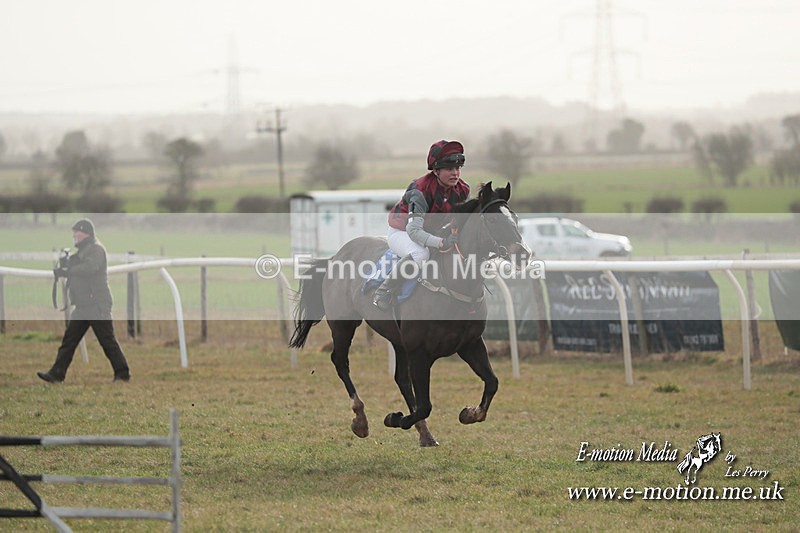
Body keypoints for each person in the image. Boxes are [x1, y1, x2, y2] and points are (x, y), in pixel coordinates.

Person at [372, 140, 470, 311]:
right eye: (449, 169)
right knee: (421, 253)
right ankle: (384, 290)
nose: (455, 173)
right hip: (402, 232)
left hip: (431, 231)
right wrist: (441, 242)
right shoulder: (420, 191)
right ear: (436, 171)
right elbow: (414, 231)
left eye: (458, 168)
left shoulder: (462, 189)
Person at [37, 218, 130, 383]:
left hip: (97, 304)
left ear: (85, 233)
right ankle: (56, 374)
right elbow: (77, 268)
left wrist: (69, 270)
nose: (74, 235)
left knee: (107, 341)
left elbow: (90, 268)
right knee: (69, 341)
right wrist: (63, 270)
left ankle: (122, 374)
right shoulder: (82, 252)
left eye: (76, 232)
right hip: (82, 306)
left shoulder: (96, 250)